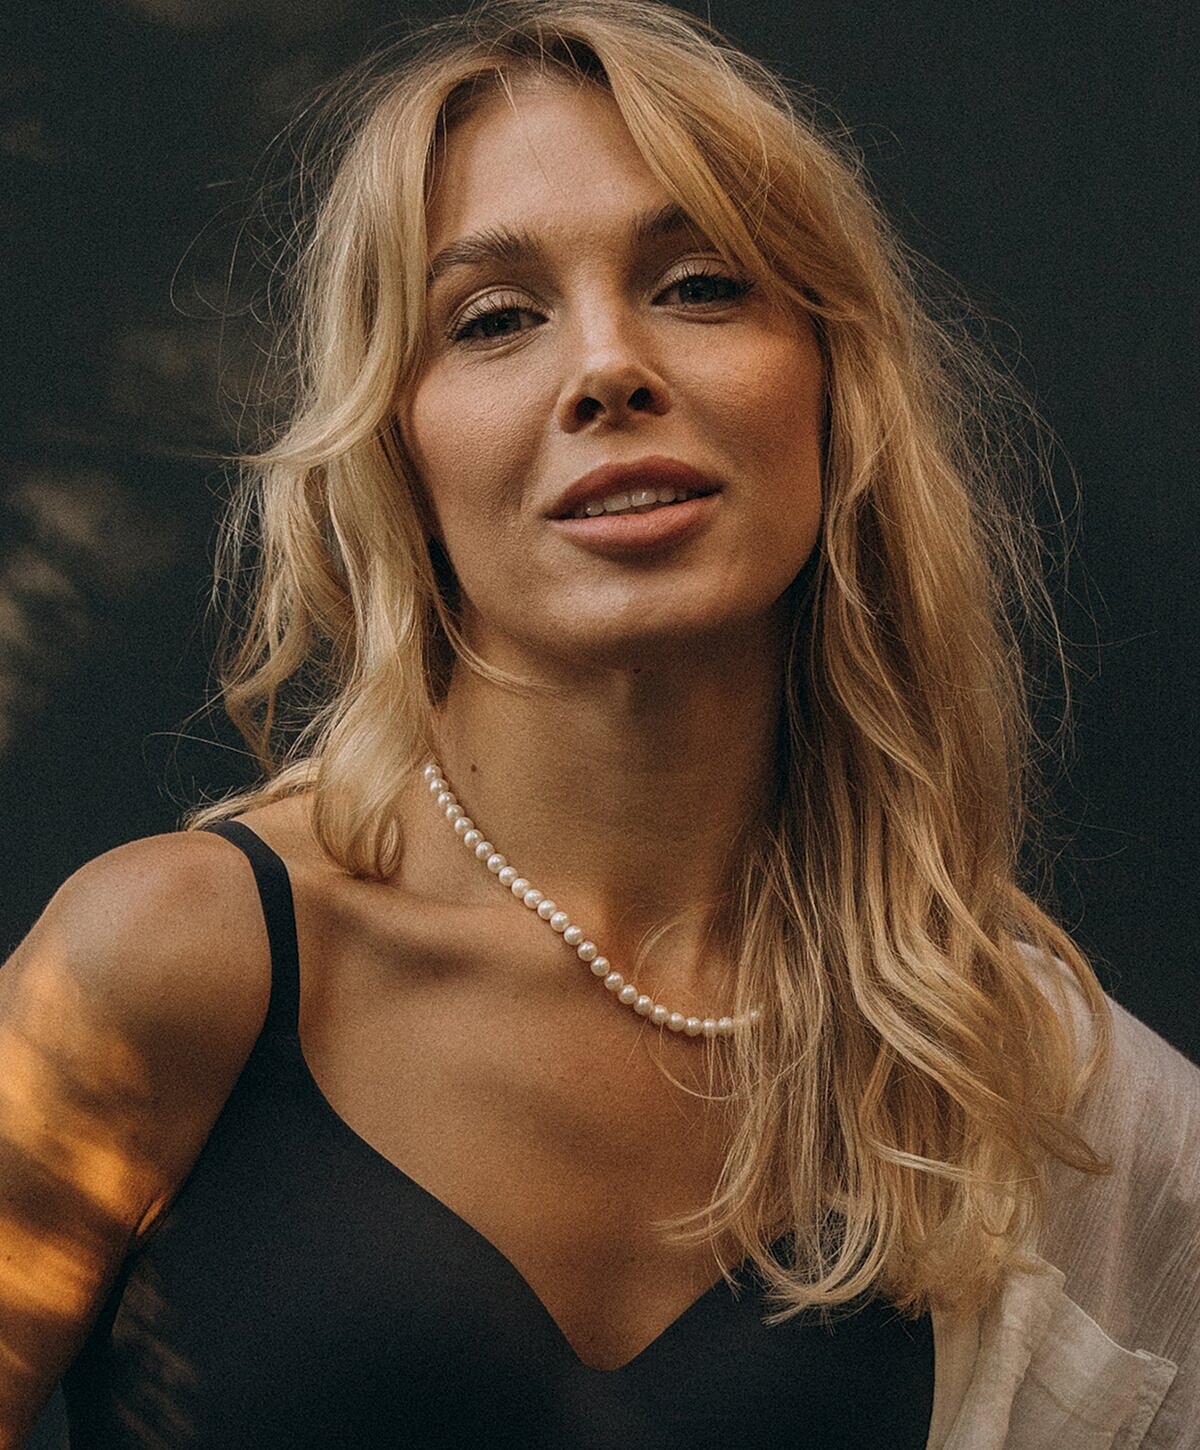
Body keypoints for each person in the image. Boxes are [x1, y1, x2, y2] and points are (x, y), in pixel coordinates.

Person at [1, 1, 1196, 1445]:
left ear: (834, 389)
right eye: (493, 319)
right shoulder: (172, 962)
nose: (608, 366)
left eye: (699, 285)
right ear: (396, 451)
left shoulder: (1024, 1082)